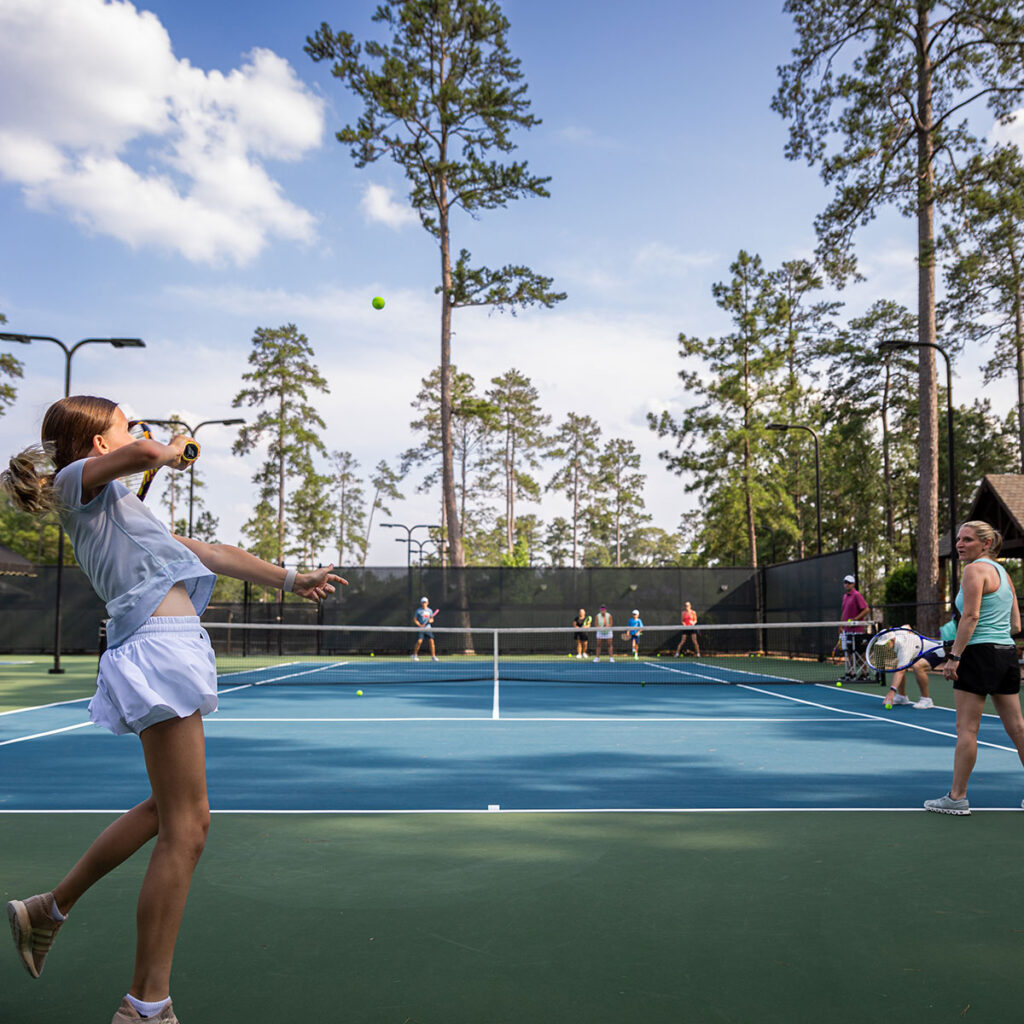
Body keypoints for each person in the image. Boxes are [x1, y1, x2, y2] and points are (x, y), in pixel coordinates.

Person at [1, 396, 344, 1023]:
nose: (137, 432)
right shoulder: (75, 486)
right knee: (190, 827)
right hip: (157, 651)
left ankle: (49, 909)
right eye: (127, 425)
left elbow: (209, 552)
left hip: (169, 647)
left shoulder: (122, 509)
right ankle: (146, 1006)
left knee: (170, 812)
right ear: (100, 446)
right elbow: (139, 453)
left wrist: (292, 579)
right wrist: (166, 447)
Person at [925, 521, 1024, 815]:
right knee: (1018, 728)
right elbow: (1016, 625)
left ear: (986, 544)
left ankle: (957, 797)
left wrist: (954, 657)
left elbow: (970, 616)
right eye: (958, 539)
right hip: (1006, 654)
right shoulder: (1003, 574)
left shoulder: (973, 570)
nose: (959, 544)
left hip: (978, 655)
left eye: (967, 540)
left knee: (966, 729)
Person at [882, 616, 956, 710]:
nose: (884, 646)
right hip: (919, 652)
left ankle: (926, 700)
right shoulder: (898, 634)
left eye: (885, 644)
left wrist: (891, 692)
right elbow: (907, 626)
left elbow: (900, 672)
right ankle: (902, 697)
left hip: (935, 652)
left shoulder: (904, 650)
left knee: (917, 666)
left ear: (892, 640)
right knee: (898, 665)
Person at [839, 574, 870, 681]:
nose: (846, 584)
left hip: (858, 630)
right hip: (847, 630)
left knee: (860, 652)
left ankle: (864, 674)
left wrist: (855, 620)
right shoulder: (844, 597)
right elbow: (844, 612)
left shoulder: (857, 595)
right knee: (849, 652)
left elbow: (866, 609)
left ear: (853, 584)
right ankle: (851, 673)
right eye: (845, 582)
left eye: (849, 583)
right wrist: (841, 625)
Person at [411, 596, 438, 661]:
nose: (424, 603)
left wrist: (430, 621)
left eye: (425, 602)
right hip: (421, 629)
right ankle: (414, 655)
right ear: (421, 603)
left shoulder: (430, 610)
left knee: (431, 641)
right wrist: (420, 625)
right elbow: (415, 620)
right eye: (423, 602)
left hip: (428, 629)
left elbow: (432, 619)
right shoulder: (418, 611)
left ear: (427, 603)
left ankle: (433, 656)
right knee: (419, 641)